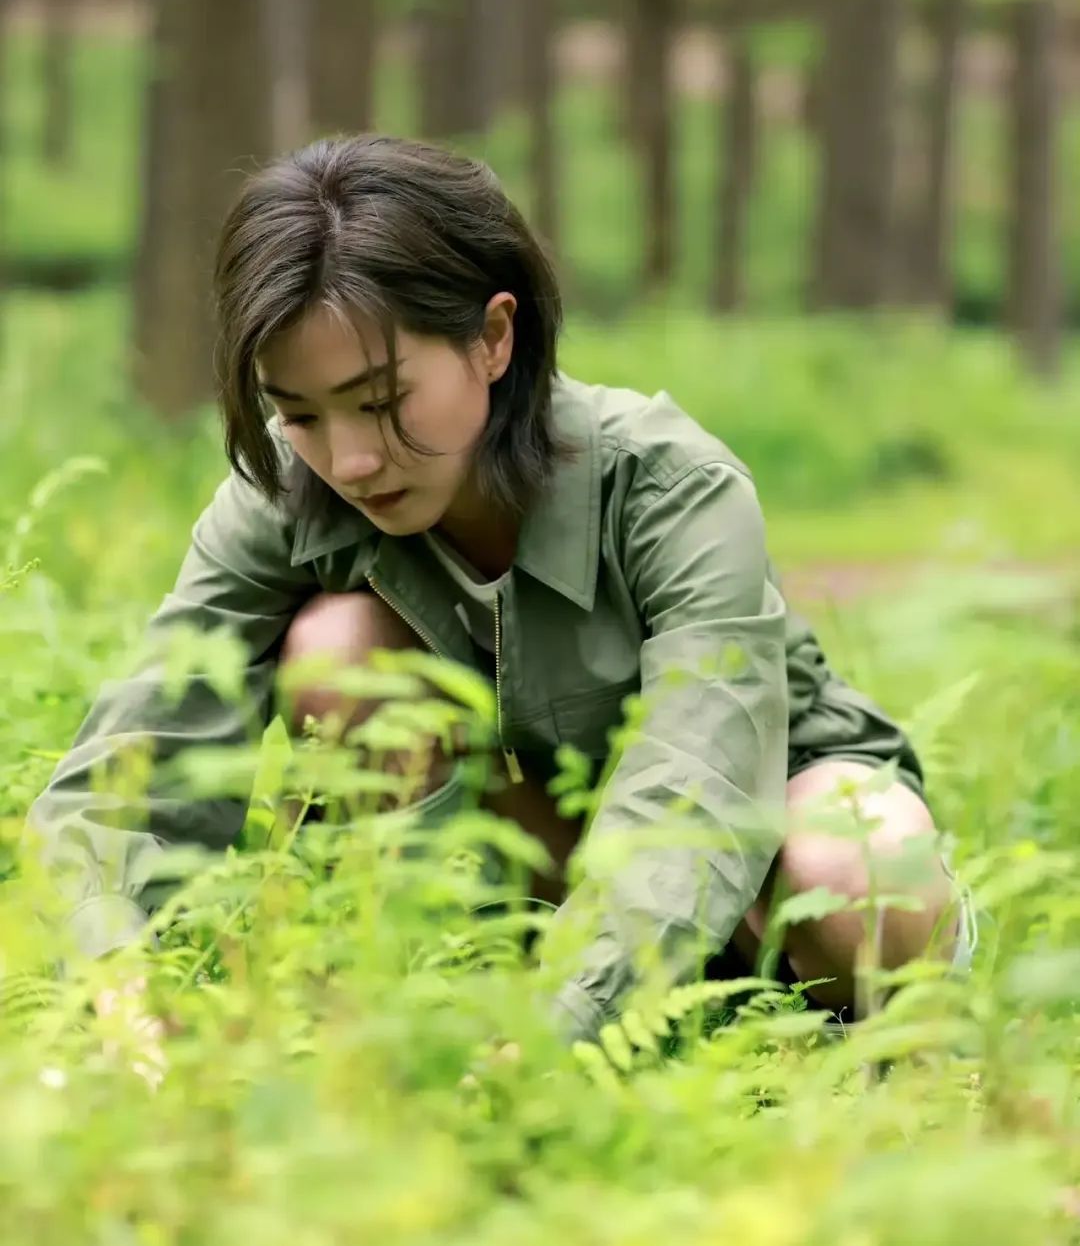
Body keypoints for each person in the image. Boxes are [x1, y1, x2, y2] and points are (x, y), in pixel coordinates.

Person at [23, 134, 975, 1047]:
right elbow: (136, 760)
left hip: (757, 839)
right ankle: (450, 989)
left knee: (858, 870)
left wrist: (568, 1031)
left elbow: (703, 787)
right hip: (543, 873)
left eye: (384, 402)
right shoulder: (289, 486)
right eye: (300, 413)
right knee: (339, 649)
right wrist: (117, 983)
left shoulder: (671, 486)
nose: (350, 458)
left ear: (492, 336)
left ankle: (842, 1037)